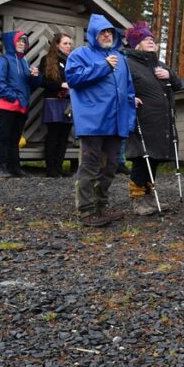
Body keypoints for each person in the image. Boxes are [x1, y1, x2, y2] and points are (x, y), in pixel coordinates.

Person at [65, 14, 137, 227]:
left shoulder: (121, 59)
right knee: (90, 166)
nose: (106, 35)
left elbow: (129, 92)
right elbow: (73, 79)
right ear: (93, 34)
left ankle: (100, 207)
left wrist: (129, 119)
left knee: (110, 167)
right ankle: (86, 211)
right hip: (93, 121)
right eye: (102, 32)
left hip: (116, 123)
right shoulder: (80, 55)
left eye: (109, 32)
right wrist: (104, 66)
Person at [123, 22, 182, 216]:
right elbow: (120, 86)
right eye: (146, 39)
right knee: (142, 157)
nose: (151, 41)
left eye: (152, 39)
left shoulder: (159, 64)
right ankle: (137, 198)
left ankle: (149, 195)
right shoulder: (127, 63)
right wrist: (129, 98)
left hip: (162, 120)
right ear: (136, 44)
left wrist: (169, 75)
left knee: (154, 157)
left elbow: (178, 85)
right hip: (142, 118)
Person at [0, 30, 41, 177]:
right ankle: (1, 168)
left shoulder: (25, 63)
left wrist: (35, 77)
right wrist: (14, 98)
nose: (21, 43)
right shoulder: (3, 60)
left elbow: (31, 86)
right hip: (6, 105)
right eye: (19, 41)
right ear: (11, 42)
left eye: (24, 41)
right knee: (3, 136)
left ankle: (15, 168)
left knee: (15, 139)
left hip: (21, 107)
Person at [39, 32, 75, 177]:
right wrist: (61, 84)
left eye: (70, 44)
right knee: (53, 134)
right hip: (53, 101)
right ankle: (51, 168)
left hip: (68, 102)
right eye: (65, 43)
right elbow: (44, 82)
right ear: (56, 44)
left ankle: (59, 167)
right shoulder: (47, 60)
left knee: (64, 135)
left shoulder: (71, 61)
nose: (68, 46)